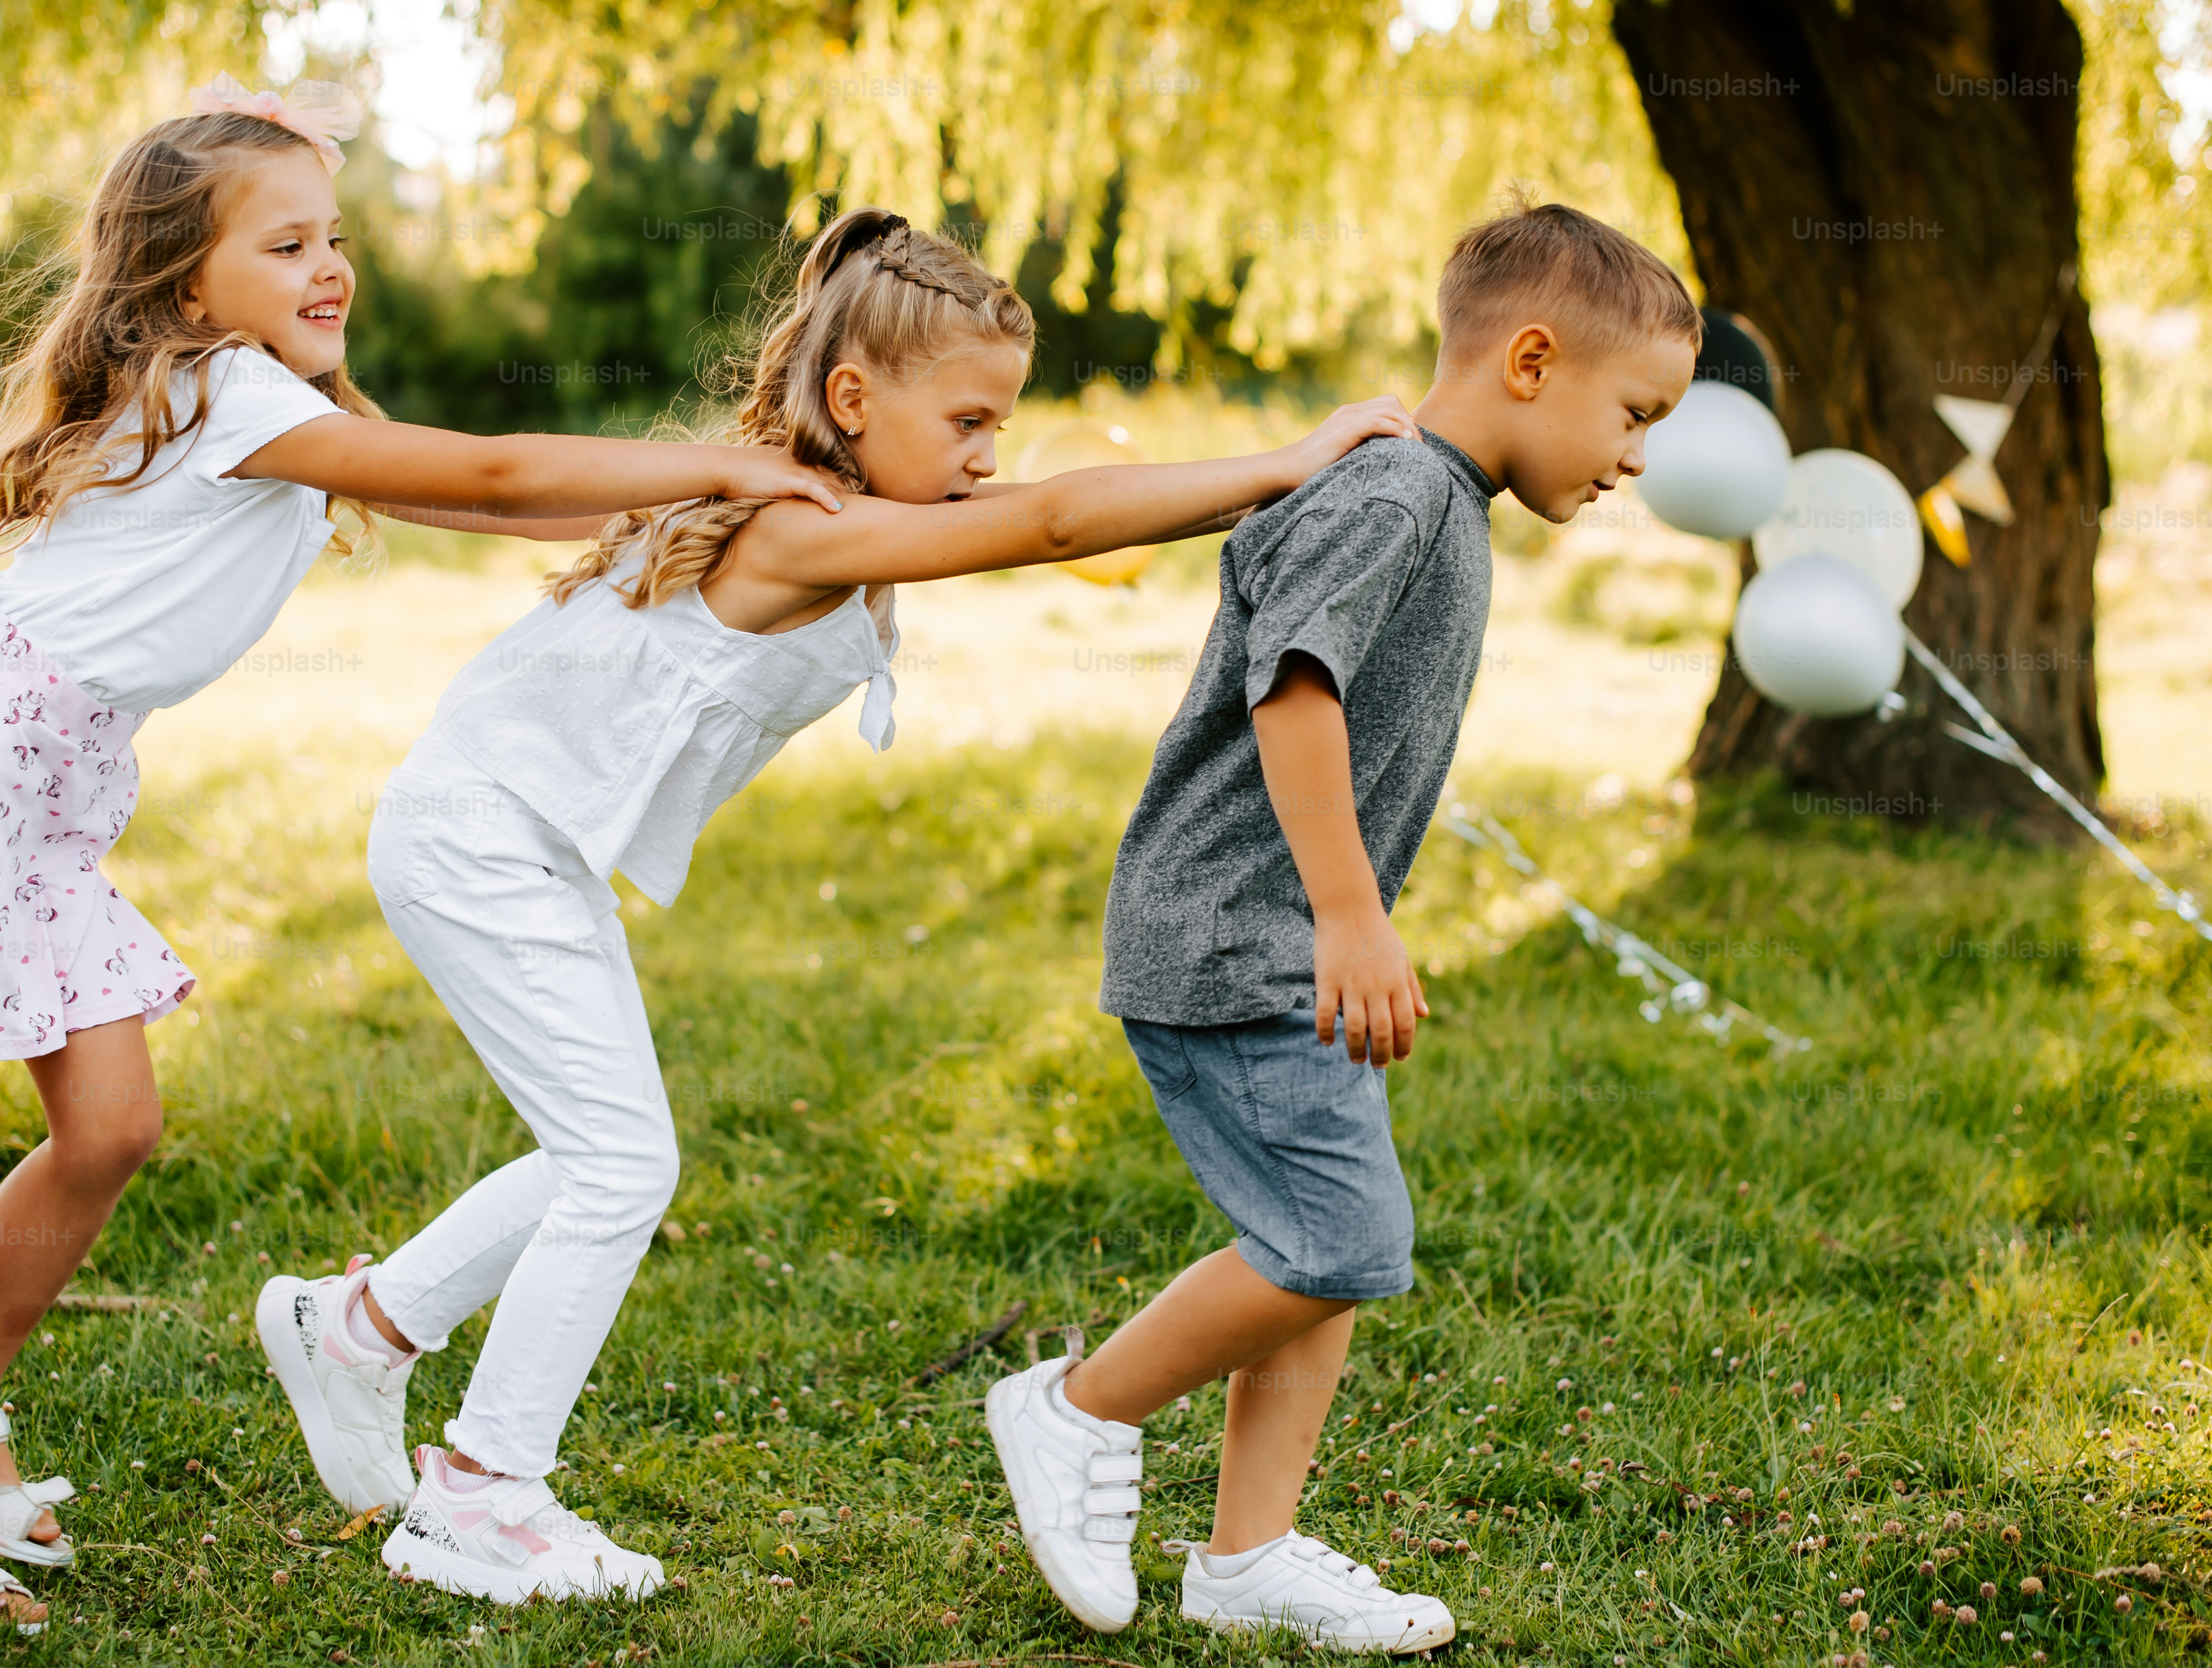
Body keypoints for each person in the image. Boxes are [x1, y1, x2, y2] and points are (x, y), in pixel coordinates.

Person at [0, 74, 840, 1634]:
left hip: (42, 801)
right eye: (286, 246)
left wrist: (675, 517)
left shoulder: (256, 405)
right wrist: (717, 470)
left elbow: (487, 508)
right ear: (185, 283)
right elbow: (496, 475)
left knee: (110, 1128)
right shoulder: (225, 394)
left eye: (335, 238)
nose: (330, 269)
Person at [256, 206, 1419, 1607]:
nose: (989, 453)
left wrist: (1262, 483)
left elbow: (1034, 503)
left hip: (515, 843)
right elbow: (1049, 520)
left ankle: (363, 1326)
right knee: (623, 1166)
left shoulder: (827, 512)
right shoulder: (799, 522)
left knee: (602, 1152)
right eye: (969, 420)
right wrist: (1293, 461)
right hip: (479, 838)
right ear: (854, 400)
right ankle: (483, 1495)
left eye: (1003, 421)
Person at [984, 198, 1699, 1651]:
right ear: (1532, 360)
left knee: (1320, 1253)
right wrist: (1351, 919)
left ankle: (1248, 1559)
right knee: (1340, 1240)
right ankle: (1073, 1409)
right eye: (1633, 415)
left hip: (1278, 940)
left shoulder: (1437, 501)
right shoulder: (1395, 500)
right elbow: (1292, 692)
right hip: (1243, 936)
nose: (1637, 458)